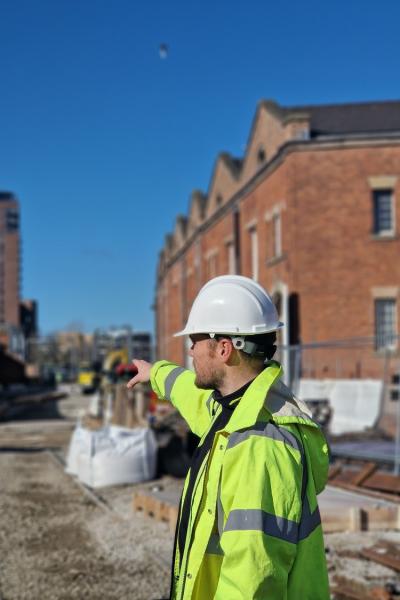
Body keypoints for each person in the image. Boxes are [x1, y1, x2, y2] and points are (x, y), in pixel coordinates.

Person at [127, 275, 330, 599]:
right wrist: (156, 374)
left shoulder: (258, 446)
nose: (190, 350)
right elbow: (189, 394)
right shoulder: (236, 409)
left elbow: (251, 581)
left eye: (194, 340)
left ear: (223, 348)